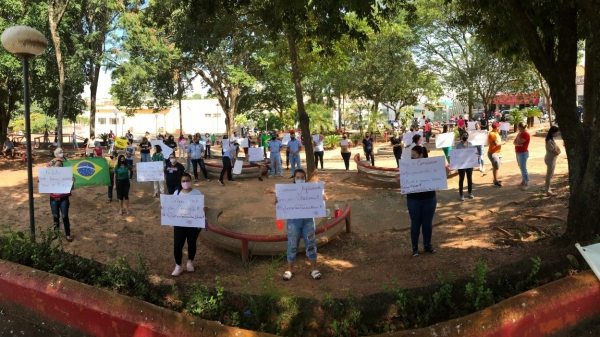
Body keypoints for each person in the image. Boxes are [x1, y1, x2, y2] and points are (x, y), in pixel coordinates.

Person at [276, 169, 326, 281]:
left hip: (308, 222)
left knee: (311, 244)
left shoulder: (312, 190)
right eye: (297, 177)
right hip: (293, 223)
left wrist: (322, 199)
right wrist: (277, 201)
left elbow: (317, 202)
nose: (300, 179)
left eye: (302, 177)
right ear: (294, 178)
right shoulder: (287, 192)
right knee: (292, 245)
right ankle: (289, 270)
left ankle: (314, 269)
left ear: (305, 178)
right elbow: (281, 204)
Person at [170, 172, 204, 276]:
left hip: (192, 224)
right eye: (183, 181)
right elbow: (171, 207)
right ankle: (178, 265)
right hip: (179, 224)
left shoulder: (197, 193)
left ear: (191, 181)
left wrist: (204, 209)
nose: (186, 183)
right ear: (180, 182)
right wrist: (164, 208)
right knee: (177, 245)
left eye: (188, 180)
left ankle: (190, 262)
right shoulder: (176, 193)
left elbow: (200, 208)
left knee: (192, 243)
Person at [407, 145, 437, 257]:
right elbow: (404, 184)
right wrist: (399, 181)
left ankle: (427, 244)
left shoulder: (431, 165)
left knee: (427, 223)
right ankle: (414, 247)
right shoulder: (408, 167)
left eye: (414, 156)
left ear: (421, 155)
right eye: (411, 156)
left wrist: (444, 173)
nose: (412, 158)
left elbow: (438, 178)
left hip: (429, 198)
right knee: (415, 223)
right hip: (413, 199)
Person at [46, 148, 75, 242]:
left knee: (64, 216)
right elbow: (46, 172)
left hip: (63, 198)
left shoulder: (66, 166)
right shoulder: (50, 168)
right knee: (55, 216)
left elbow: (72, 187)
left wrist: (72, 182)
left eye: (61, 153)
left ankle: (68, 234)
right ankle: (56, 233)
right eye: (59, 153)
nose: (60, 155)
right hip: (53, 198)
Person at [455, 132, 475, 201]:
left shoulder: (470, 144)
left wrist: (476, 154)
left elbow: (472, 153)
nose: (465, 136)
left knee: (469, 178)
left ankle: (470, 192)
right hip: (461, 165)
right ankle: (461, 194)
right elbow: (456, 156)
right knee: (461, 179)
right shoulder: (458, 146)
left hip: (469, 165)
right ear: (461, 136)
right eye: (463, 135)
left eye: (466, 135)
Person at [514, 122, 531, 190]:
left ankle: (527, 183)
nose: (518, 129)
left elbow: (518, 142)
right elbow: (514, 142)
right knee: (521, 167)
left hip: (523, 153)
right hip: (518, 152)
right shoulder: (520, 134)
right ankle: (523, 181)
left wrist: (518, 137)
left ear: (521, 128)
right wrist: (517, 143)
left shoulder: (525, 134)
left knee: (523, 168)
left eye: (519, 127)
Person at [544, 126, 561, 196]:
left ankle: (549, 187)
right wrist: (558, 151)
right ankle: (547, 190)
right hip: (550, 159)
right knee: (549, 175)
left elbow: (558, 148)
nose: (557, 134)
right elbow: (556, 151)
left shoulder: (551, 140)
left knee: (550, 174)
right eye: (556, 132)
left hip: (552, 159)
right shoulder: (549, 141)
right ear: (552, 133)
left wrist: (558, 150)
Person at [488, 122, 504, 187]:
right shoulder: (492, 134)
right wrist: (503, 143)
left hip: (498, 152)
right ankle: (495, 181)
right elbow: (496, 144)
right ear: (496, 127)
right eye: (498, 127)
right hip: (493, 153)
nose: (499, 128)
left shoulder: (496, 133)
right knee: (496, 167)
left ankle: (496, 179)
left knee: (496, 167)